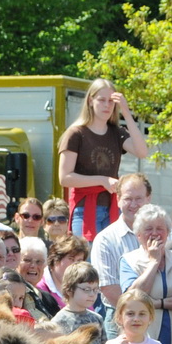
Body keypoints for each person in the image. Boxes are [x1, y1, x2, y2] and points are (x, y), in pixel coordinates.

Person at [58, 79, 148, 239]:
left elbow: (142, 151)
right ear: (91, 101)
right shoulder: (75, 134)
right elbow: (65, 178)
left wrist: (126, 113)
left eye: (111, 101)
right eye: (101, 100)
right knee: (88, 260)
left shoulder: (116, 132)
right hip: (84, 209)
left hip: (113, 208)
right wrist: (102, 180)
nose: (107, 105)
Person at [117, 204, 172, 344]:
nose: (155, 233)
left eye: (160, 228)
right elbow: (133, 298)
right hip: (144, 340)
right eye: (148, 229)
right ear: (138, 235)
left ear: (168, 233)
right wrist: (154, 262)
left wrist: (156, 303)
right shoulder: (129, 261)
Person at [90, 174, 152, 308]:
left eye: (138, 199)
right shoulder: (105, 239)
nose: (134, 204)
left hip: (161, 311)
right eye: (128, 199)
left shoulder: (167, 234)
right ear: (118, 199)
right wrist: (137, 312)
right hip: (120, 313)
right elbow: (108, 287)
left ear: (148, 199)